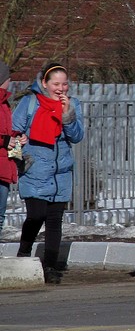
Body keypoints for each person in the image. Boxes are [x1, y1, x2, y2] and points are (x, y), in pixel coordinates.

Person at [11, 61, 85, 284]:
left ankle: (50, 266)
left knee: (54, 221)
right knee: (36, 215)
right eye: (56, 84)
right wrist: (18, 140)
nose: (61, 88)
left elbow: (77, 136)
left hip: (60, 172)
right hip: (35, 168)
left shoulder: (73, 105)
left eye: (64, 84)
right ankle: (24, 253)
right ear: (44, 83)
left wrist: (67, 115)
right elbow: (14, 130)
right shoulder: (30, 102)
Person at [0, 61, 17, 236]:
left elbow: (7, 130)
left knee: (0, 215)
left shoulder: (5, 104)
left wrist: (17, 136)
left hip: (4, 165)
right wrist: (5, 140)